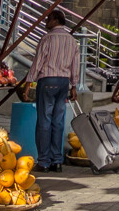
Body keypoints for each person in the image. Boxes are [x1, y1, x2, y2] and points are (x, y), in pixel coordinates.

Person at [26, 10, 79, 175]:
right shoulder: (72, 40)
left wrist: (28, 83)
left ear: (55, 20)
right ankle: (57, 161)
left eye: (48, 18)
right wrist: (74, 85)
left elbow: (38, 62)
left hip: (47, 80)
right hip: (63, 83)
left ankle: (43, 161)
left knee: (44, 121)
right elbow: (75, 64)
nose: (45, 21)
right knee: (58, 122)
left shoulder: (47, 38)